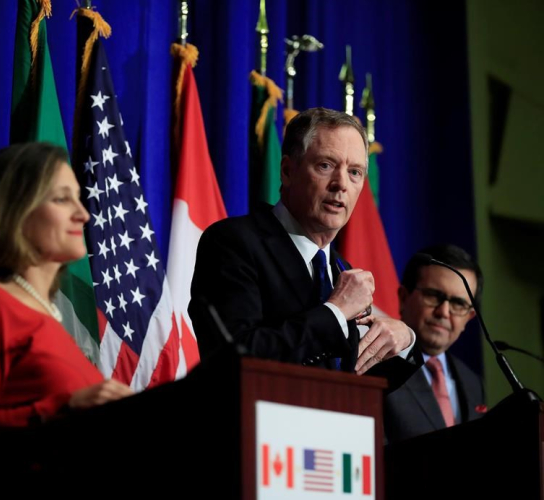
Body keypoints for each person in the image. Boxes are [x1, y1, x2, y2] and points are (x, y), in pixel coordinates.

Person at [0, 143, 132, 497]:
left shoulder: (48, 317)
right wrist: (66, 407)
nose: (83, 214)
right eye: (61, 199)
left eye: (79, 198)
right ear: (14, 212)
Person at [189, 107, 419, 385]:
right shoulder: (234, 242)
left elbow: (352, 379)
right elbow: (235, 359)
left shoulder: (340, 270)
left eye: (355, 172)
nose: (341, 184)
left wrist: (406, 341)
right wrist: (335, 312)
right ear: (287, 171)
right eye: (325, 165)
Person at [384, 244, 485, 443]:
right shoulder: (378, 366)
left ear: (470, 316)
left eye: (458, 304)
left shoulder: (473, 383)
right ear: (404, 298)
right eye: (433, 296)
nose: (444, 312)